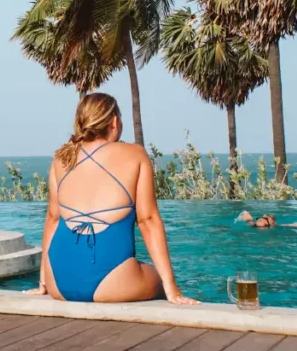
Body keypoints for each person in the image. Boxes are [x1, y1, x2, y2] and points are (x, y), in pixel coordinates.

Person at [25, 92, 198, 305]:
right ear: (114, 122)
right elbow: (148, 221)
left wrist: (44, 283)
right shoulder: (135, 154)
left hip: (59, 282)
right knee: (156, 279)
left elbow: (52, 220)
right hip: (111, 284)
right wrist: (172, 288)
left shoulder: (61, 158)